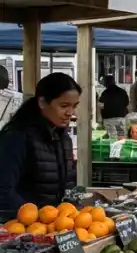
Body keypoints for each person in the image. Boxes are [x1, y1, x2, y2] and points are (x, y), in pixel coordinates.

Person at [0, 73, 81, 219]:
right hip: (19, 225)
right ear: (42, 102)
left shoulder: (63, 138)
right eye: (64, 106)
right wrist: (35, 217)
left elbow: (67, 186)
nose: (70, 113)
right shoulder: (17, 137)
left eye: (74, 106)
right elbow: (3, 190)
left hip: (54, 225)